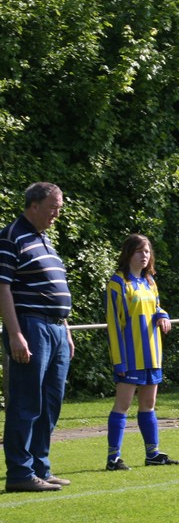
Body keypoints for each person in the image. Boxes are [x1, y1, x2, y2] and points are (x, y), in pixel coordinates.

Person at [0, 183, 73, 493]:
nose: (56, 214)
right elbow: (2, 288)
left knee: (50, 403)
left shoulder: (44, 239)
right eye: (52, 207)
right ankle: (20, 472)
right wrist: (15, 333)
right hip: (31, 327)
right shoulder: (11, 236)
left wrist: (65, 329)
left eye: (59, 208)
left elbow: (52, 289)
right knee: (27, 402)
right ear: (33, 205)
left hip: (55, 330)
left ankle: (40, 467)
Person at [104, 234, 179, 470]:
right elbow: (113, 324)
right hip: (130, 357)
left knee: (148, 404)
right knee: (123, 405)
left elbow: (156, 306)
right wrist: (119, 360)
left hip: (152, 355)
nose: (144, 255)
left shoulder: (149, 281)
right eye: (139, 251)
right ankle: (113, 458)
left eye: (147, 251)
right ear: (128, 253)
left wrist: (163, 315)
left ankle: (152, 454)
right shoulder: (118, 283)